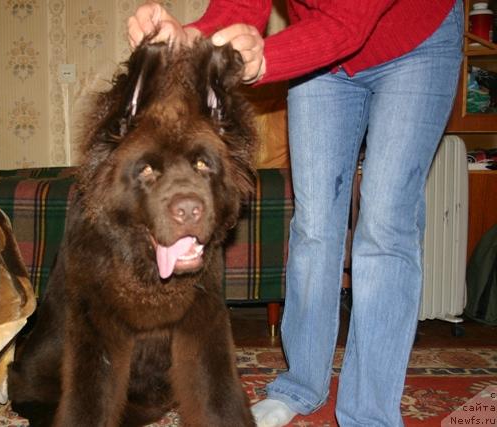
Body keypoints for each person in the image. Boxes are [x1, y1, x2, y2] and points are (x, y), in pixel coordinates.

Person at [128, 1, 463, 426]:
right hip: (323, 60)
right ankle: (301, 385)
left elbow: (351, 21)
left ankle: (370, 414)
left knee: (385, 226)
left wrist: (265, 57)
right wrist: (187, 39)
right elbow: (240, 5)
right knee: (314, 226)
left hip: (416, 40)